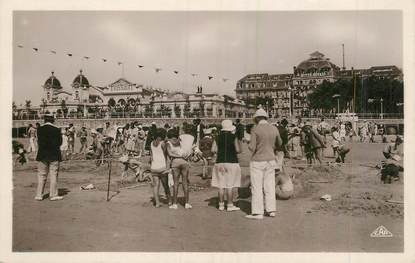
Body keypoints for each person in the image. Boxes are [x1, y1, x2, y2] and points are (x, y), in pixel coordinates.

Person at [246, 108, 282, 220]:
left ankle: (258, 212)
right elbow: (280, 143)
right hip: (271, 159)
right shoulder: (274, 128)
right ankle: (271, 210)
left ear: (257, 118)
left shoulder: (255, 129)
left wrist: (247, 141)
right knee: (270, 185)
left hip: (258, 160)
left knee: (257, 187)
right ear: (266, 117)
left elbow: (252, 147)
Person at [211, 120, 242, 211]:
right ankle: (229, 205)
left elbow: (213, 150)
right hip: (231, 162)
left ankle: (221, 204)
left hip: (220, 162)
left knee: (221, 185)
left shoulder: (217, 137)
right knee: (230, 185)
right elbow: (238, 150)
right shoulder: (233, 137)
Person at [35, 114, 63, 201]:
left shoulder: (39, 129)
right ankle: (53, 194)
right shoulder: (57, 129)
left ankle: (39, 195)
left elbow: (38, 141)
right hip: (54, 154)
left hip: (42, 154)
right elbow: (60, 142)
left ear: (44, 120)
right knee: (53, 175)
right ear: (53, 120)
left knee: (41, 175)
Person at [166, 129, 192, 209]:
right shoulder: (181, 141)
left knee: (176, 183)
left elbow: (170, 153)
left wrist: (178, 156)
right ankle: (187, 203)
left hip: (175, 163)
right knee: (185, 182)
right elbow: (188, 151)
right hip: (185, 162)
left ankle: (175, 204)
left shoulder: (168, 143)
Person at [150, 128, 172, 207]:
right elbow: (167, 156)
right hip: (162, 167)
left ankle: (157, 203)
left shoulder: (151, 143)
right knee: (165, 185)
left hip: (154, 167)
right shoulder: (163, 144)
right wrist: (168, 167)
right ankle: (170, 201)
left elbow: (151, 157)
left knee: (156, 186)